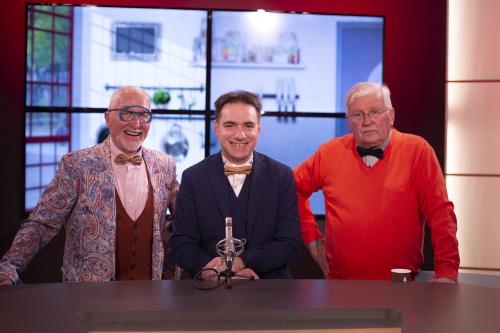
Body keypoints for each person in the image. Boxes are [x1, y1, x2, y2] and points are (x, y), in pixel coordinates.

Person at [0, 86, 179, 284]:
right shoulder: (77, 164)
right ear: (107, 118)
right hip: (88, 297)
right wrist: (10, 266)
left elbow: (185, 221)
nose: (136, 123)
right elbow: (43, 222)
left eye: (144, 115)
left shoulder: (165, 166)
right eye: (126, 114)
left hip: (151, 295)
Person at [294, 82, 459, 282]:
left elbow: (441, 213)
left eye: (374, 111)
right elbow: (292, 189)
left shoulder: (417, 150)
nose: (367, 121)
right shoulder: (329, 152)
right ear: (348, 121)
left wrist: (447, 271)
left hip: (401, 285)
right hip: (340, 283)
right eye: (358, 114)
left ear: (391, 116)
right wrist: (312, 239)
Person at [170, 90, 301, 279]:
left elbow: (290, 243)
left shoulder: (282, 176)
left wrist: (242, 262)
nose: (240, 135)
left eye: (248, 125)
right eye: (230, 125)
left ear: (259, 129)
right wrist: (213, 268)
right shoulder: (192, 177)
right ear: (216, 128)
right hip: (206, 291)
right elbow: (181, 244)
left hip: (269, 291)